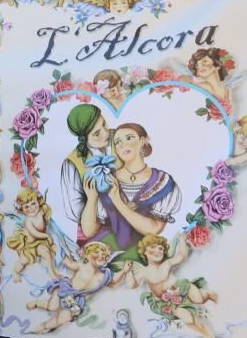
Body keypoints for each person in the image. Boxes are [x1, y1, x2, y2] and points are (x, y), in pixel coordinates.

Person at [95, 122, 182, 263]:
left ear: (142, 141)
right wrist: (92, 197)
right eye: (118, 142)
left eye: (129, 138)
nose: (122, 145)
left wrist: (117, 201)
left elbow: (153, 229)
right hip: (106, 253)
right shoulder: (107, 178)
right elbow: (91, 230)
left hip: (146, 254)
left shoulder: (162, 181)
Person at [59, 104, 113, 245]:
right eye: (96, 133)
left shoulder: (120, 138)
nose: (106, 133)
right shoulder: (72, 163)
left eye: (104, 125)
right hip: (95, 233)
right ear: (84, 138)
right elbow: (75, 210)